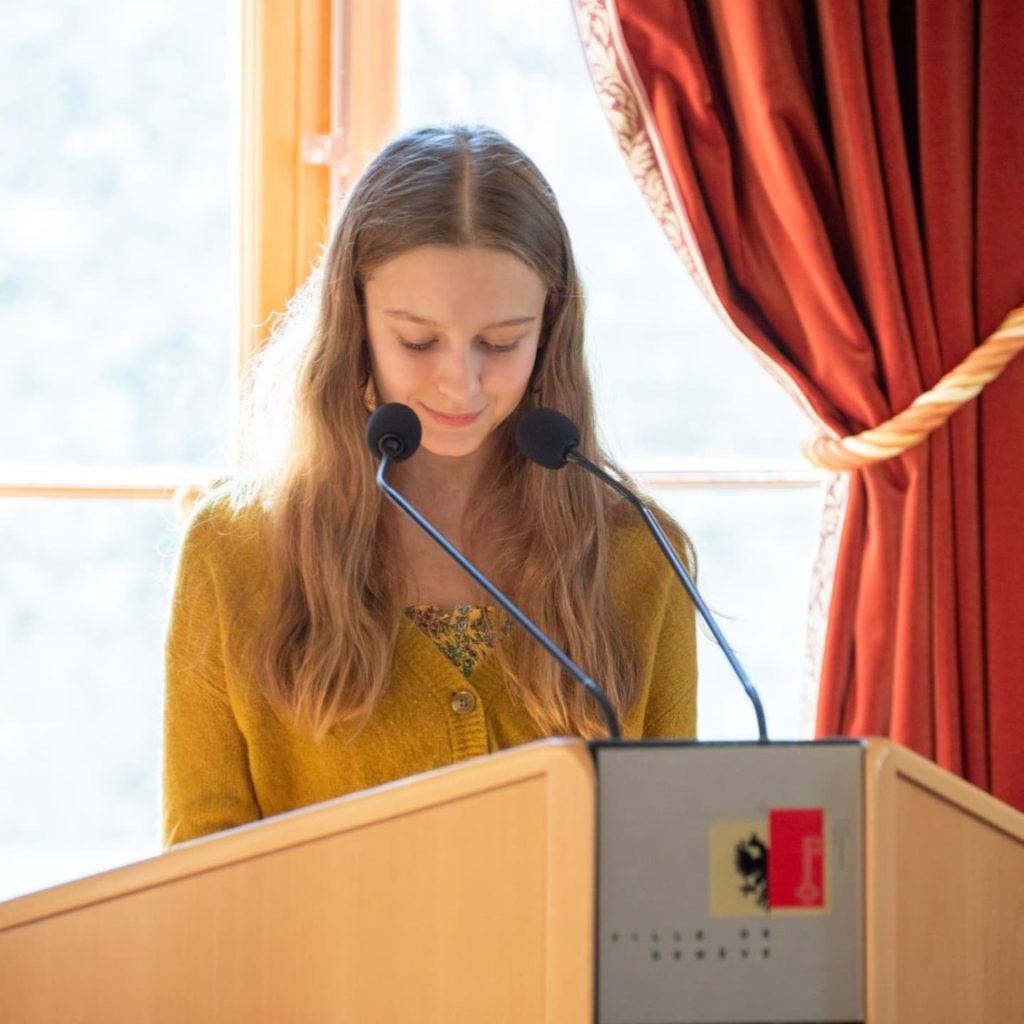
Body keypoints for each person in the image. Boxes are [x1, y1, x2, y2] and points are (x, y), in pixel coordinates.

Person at [162, 124, 697, 848]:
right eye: (418, 341)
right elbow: (200, 870)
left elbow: (666, 859)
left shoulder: (641, 554)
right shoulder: (235, 550)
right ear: (354, 327)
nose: (461, 380)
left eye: (501, 342)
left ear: (551, 331)